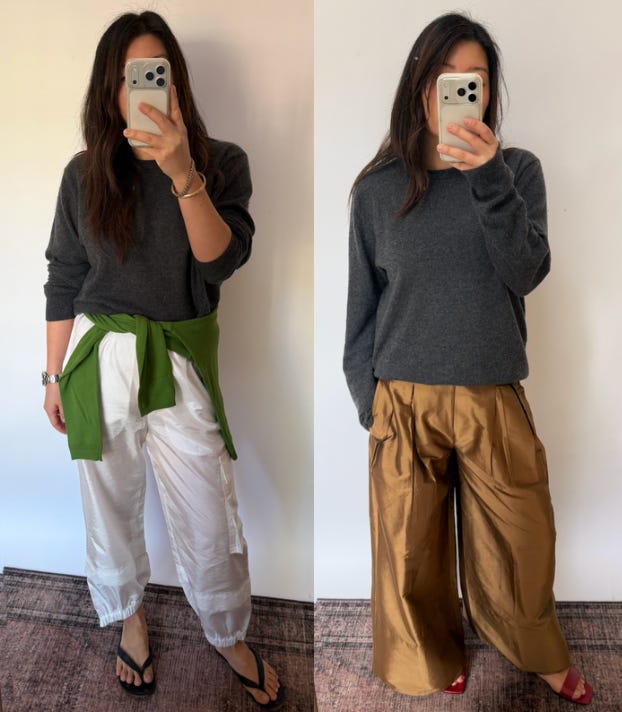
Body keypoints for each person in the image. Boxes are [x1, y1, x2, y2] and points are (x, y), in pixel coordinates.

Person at [343, 12, 592, 706]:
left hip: (492, 392)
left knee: (522, 542)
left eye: (474, 82)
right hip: (402, 399)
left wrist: (488, 179)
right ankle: (429, 655)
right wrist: (368, 399)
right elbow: (361, 309)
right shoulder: (376, 190)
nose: (460, 93)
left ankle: (535, 650)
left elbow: (526, 271)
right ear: (420, 86)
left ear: (487, 94)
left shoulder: (518, 173)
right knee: (409, 553)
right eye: (446, 78)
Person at [43, 11, 282, 708]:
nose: (143, 90)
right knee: (108, 504)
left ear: (177, 83)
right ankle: (130, 619)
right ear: (109, 90)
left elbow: (221, 262)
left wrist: (182, 173)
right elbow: (63, 276)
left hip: (177, 356)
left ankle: (227, 632)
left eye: (156, 74)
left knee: (209, 509)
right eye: (129, 78)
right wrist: (53, 376)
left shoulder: (222, 161)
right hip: (98, 359)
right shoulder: (84, 174)